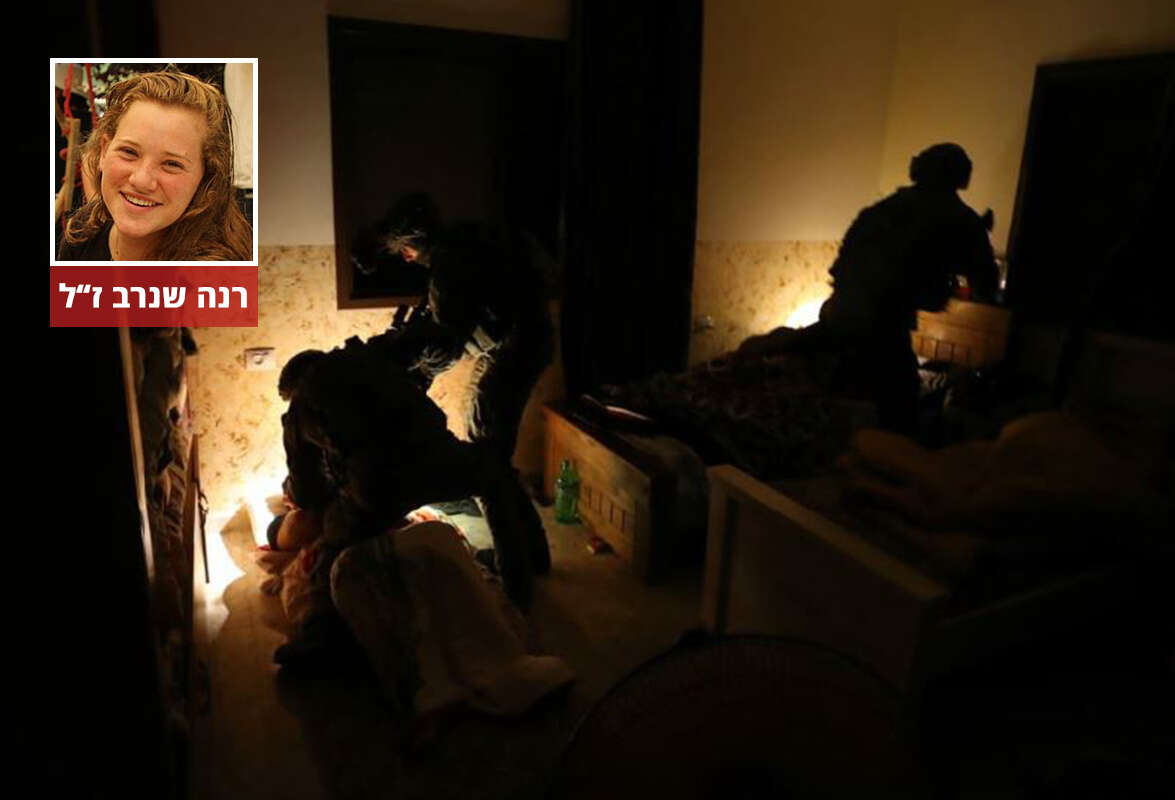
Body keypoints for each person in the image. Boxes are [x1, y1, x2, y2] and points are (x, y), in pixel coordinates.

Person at [274, 337, 540, 665]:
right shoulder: (368, 358)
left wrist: (317, 490)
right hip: (440, 457)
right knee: (495, 478)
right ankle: (519, 589)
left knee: (330, 548)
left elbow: (307, 491)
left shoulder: (301, 407)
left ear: (293, 389)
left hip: (380, 488)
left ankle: (318, 634)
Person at [739, 142, 998, 432]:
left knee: (830, 384)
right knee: (900, 407)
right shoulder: (959, 219)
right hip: (880, 325)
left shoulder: (885, 207)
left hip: (841, 311)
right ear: (960, 177)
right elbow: (986, 282)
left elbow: (850, 268)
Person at [359, 192, 554, 574]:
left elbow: (448, 341)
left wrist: (412, 367)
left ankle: (514, 568)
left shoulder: (449, 265)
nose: (405, 259)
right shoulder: (464, 242)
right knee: (494, 458)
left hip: (513, 352)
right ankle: (534, 555)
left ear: (415, 243)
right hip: (527, 344)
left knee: (487, 461)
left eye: (404, 250)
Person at [58, 69, 252, 261]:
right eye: (129, 152)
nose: (141, 181)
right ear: (104, 151)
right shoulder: (82, 235)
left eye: (171, 164)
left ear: (206, 177)